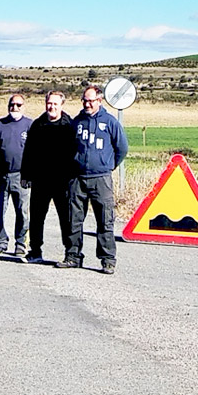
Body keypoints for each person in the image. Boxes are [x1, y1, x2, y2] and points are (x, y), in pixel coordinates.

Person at [59, 85, 128, 275]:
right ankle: (73, 256)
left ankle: (107, 259)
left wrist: (108, 165)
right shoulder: (77, 122)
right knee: (73, 219)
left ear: (99, 101)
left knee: (105, 219)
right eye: (84, 100)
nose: (87, 104)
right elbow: (69, 147)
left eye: (91, 101)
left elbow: (122, 148)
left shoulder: (110, 122)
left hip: (101, 179)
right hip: (78, 178)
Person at [21, 91, 76, 264]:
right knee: (37, 218)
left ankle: (70, 253)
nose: (51, 107)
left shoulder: (70, 125)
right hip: (41, 180)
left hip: (63, 181)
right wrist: (25, 174)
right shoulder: (38, 124)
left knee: (66, 219)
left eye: (55, 104)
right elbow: (29, 151)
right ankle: (35, 251)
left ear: (62, 105)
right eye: (49, 103)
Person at [0, 94, 33, 259]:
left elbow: (36, 151)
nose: (15, 107)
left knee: (23, 212)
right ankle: (1, 242)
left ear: (23, 106)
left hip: (22, 176)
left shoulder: (29, 125)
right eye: (12, 104)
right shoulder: (0, 125)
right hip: (1, 175)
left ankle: (21, 243)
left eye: (18, 105)